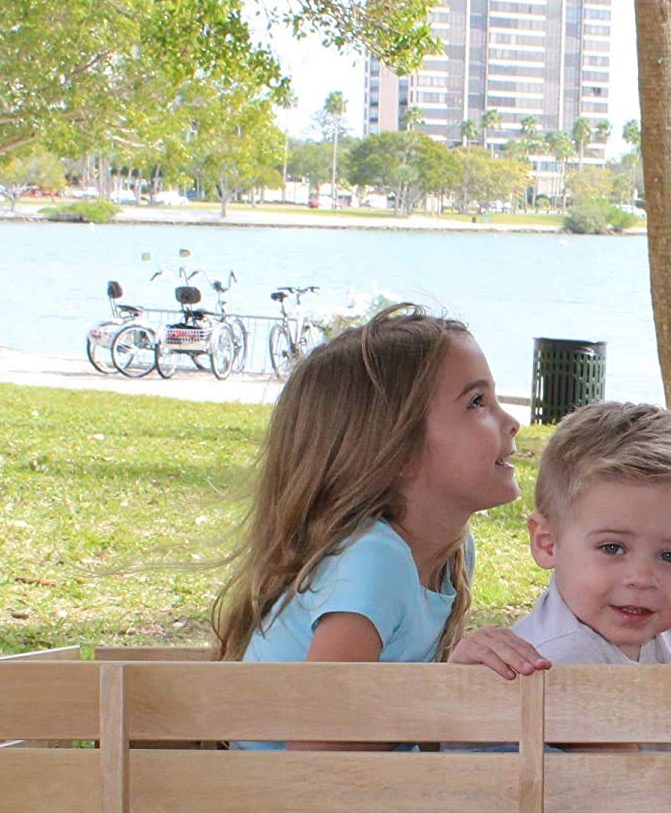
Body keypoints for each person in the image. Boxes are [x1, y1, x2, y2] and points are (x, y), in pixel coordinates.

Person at [210, 304, 548, 749]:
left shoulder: (452, 548)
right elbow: (322, 754)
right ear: (398, 452)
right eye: (476, 402)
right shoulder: (373, 561)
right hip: (288, 808)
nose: (510, 421)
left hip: (345, 801)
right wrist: (446, 694)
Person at [455, 399, 671, 673]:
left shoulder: (656, 622)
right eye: (613, 548)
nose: (642, 579)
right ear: (548, 543)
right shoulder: (555, 663)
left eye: (670, 556)